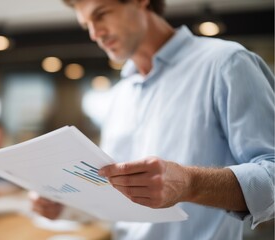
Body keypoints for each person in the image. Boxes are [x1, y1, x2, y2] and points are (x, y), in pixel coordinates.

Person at [32, 0, 274, 239]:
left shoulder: (226, 63)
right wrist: (65, 205)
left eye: (102, 14)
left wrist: (190, 184)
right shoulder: (120, 94)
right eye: (87, 26)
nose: (96, 34)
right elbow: (116, 195)